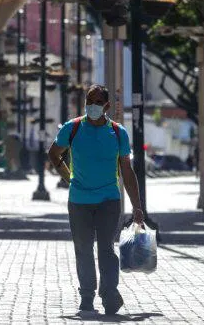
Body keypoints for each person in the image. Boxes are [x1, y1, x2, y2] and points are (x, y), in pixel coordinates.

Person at [47, 84, 144, 317]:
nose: (92, 106)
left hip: (109, 200)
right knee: (83, 249)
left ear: (107, 106)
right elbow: (54, 153)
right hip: (79, 200)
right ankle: (87, 296)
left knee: (106, 249)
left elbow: (127, 171)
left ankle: (109, 294)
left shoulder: (118, 132)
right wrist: (68, 175)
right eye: (89, 101)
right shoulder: (73, 128)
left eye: (98, 102)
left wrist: (137, 206)